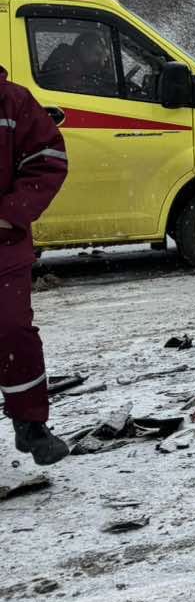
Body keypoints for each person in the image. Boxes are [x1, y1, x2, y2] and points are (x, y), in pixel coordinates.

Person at [1, 64, 71, 465]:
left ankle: (30, 424)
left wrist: (11, 212)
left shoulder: (14, 101)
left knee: (13, 332)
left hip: (3, 245)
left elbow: (47, 159)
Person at [39, 29, 117, 98]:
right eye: (97, 54)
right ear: (84, 49)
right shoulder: (69, 64)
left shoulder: (78, 62)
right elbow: (82, 89)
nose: (99, 59)